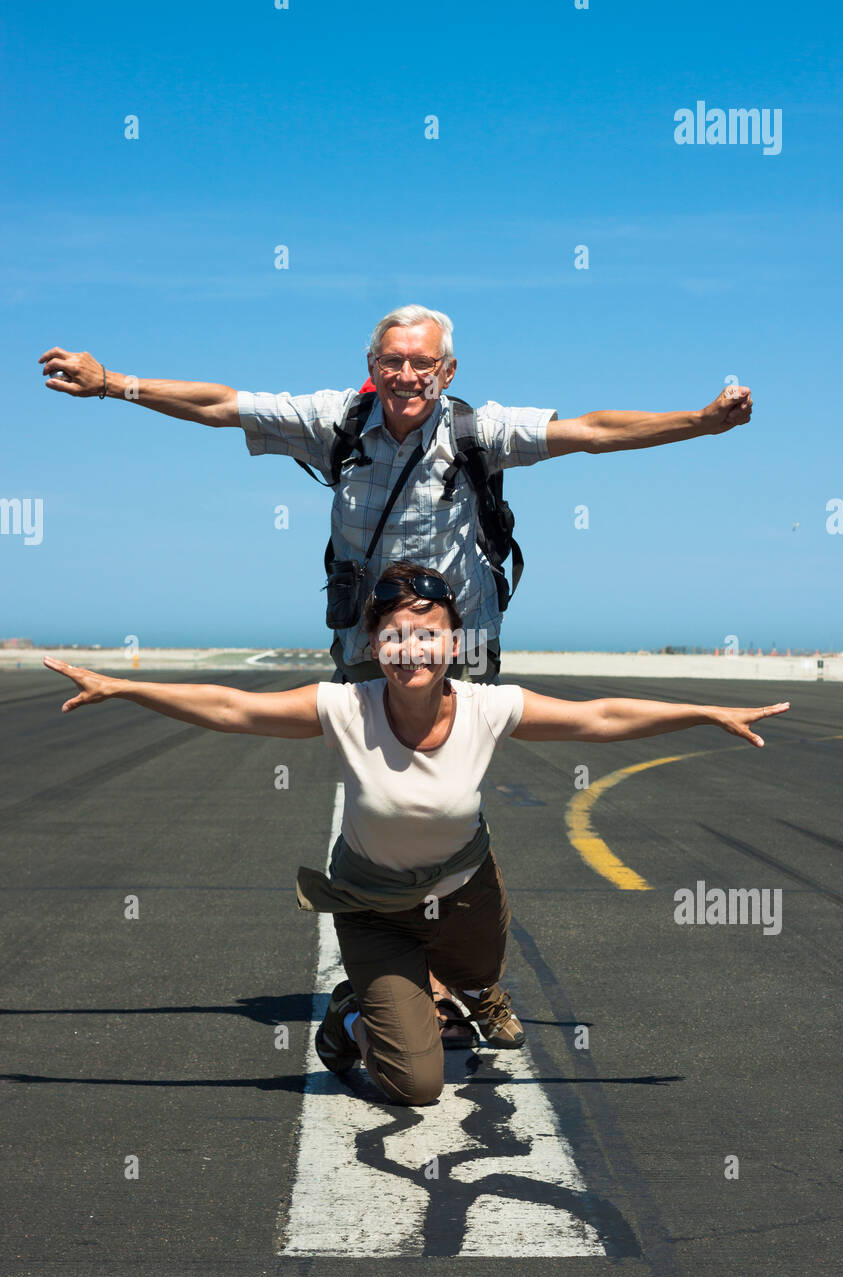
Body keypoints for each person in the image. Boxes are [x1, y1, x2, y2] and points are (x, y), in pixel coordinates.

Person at [43, 560, 789, 1108]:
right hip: (371, 903)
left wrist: (706, 712)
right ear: (375, 643)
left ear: (455, 643)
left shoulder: (489, 707)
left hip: (466, 890)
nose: (413, 650)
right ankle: (352, 1011)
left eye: (429, 636)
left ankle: (471, 986)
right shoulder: (344, 706)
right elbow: (234, 708)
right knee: (418, 1086)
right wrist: (124, 686)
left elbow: (599, 717)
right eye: (396, 635)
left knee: (475, 970)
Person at [38, 303, 753, 689]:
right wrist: (113, 385)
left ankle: (456, 949)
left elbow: (593, 430)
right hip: (365, 638)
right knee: (374, 789)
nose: (407, 375)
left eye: (422, 364)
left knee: (452, 796)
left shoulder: (482, 431)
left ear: (446, 370)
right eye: (392, 361)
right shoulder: (335, 421)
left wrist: (700, 422)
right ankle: (383, 942)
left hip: (463, 640)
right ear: (371, 367)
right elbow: (226, 405)